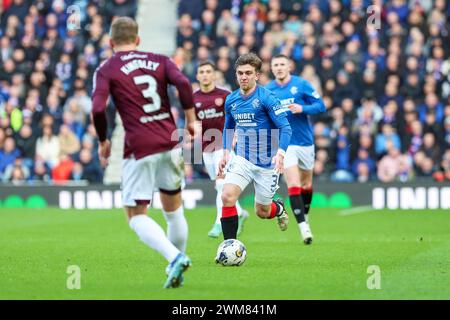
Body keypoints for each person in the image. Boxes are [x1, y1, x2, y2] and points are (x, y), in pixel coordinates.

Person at [91, 17, 196, 289]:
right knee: (173, 210)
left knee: (136, 215)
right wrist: (191, 119)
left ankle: (174, 258)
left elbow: (98, 109)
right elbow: (184, 83)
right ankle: (177, 268)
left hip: (139, 146)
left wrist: (103, 140)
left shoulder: (107, 68)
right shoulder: (159, 60)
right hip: (170, 142)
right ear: (138, 40)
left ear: (110, 42)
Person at [217, 53, 292, 243]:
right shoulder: (231, 100)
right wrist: (226, 152)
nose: (244, 77)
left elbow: (285, 127)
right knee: (227, 196)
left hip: (268, 163)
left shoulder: (267, 98)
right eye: (240, 73)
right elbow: (228, 127)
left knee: (262, 212)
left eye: (248, 73)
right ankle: (229, 246)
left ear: (257, 75)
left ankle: (279, 209)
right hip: (242, 158)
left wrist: (281, 153)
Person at [266, 54, 326, 245]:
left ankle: (305, 216)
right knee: (293, 183)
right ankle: (304, 228)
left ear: (289, 66)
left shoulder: (301, 85)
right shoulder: (268, 90)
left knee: (306, 184)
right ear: (271, 68)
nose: (279, 67)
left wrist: (302, 109)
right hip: (285, 144)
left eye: (282, 64)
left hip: (305, 142)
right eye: (275, 64)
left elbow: (321, 106)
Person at [193, 61, 248, 238]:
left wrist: (236, 136)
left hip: (224, 146)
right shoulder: (193, 98)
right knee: (220, 187)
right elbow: (193, 122)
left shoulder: (225, 95)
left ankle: (218, 223)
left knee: (220, 183)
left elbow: (237, 117)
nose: (205, 74)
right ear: (197, 76)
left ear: (214, 74)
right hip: (205, 147)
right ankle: (239, 212)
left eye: (209, 71)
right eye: (202, 71)